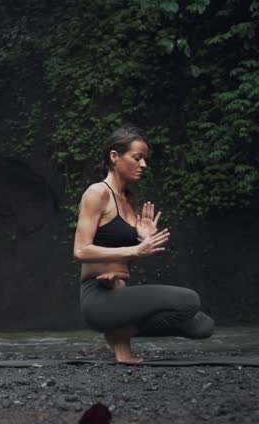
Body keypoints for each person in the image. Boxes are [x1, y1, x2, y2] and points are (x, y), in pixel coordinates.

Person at [74, 125, 214, 362]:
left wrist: (143, 241)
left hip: (117, 292)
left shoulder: (129, 201)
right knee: (190, 300)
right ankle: (117, 330)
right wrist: (135, 249)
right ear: (114, 157)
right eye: (137, 158)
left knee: (203, 326)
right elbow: (80, 251)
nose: (144, 165)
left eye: (145, 159)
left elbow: (120, 260)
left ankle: (120, 337)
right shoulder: (98, 193)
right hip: (96, 299)